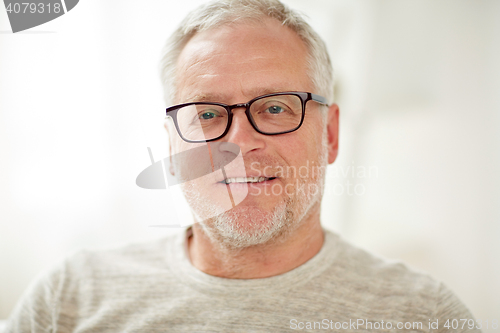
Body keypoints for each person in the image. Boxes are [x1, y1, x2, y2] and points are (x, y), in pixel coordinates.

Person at [5, 0, 481, 332]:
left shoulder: (424, 316)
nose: (239, 143)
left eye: (275, 108)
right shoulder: (69, 296)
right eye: (208, 114)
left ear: (331, 135)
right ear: (172, 145)